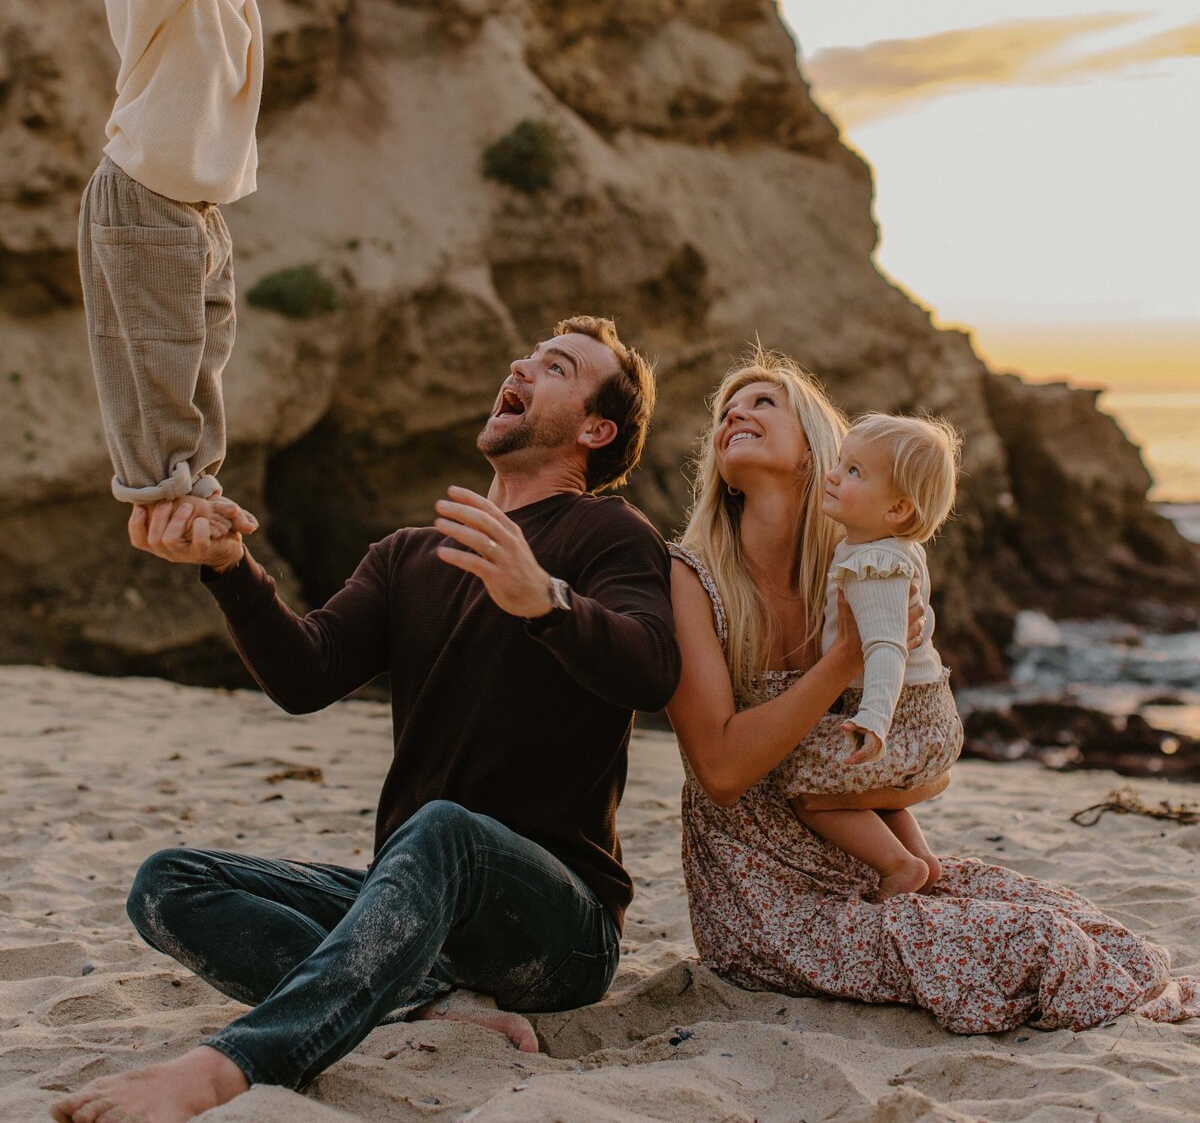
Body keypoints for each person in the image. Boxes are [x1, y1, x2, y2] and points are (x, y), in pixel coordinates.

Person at [52, 316, 680, 1123]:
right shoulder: (409, 554)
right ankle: (418, 1000)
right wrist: (228, 568)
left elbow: (654, 669)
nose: (522, 366)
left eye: (555, 367)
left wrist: (546, 602)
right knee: (169, 884)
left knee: (445, 828)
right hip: (416, 898)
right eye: (524, 357)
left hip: (561, 926)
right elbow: (305, 675)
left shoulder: (608, 533)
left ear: (595, 429)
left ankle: (227, 1069)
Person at [667, 348, 1200, 1033]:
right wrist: (846, 662)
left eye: (764, 402)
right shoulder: (692, 578)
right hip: (762, 894)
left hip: (858, 863)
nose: (736, 411)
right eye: (726, 410)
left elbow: (917, 763)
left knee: (1077, 922)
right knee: (1040, 945)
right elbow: (720, 772)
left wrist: (902, 790)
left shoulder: (856, 568)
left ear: (814, 453)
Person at [77, 0, 332, 536]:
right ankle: (160, 489)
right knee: (156, 355)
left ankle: (195, 479)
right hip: (142, 196)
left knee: (205, 348)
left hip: (197, 210)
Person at [778, 411, 964, 899]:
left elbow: (885, 649)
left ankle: (897, 865)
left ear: (898, 509)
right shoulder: (895, 548)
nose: (834, 474)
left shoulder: (871, 564)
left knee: (808, 786)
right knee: (859, 786)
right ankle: (922, 860)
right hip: (927, 711)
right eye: (840, 463)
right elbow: (920, 623)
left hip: (900, 718)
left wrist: (874, 719)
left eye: (855, 471)